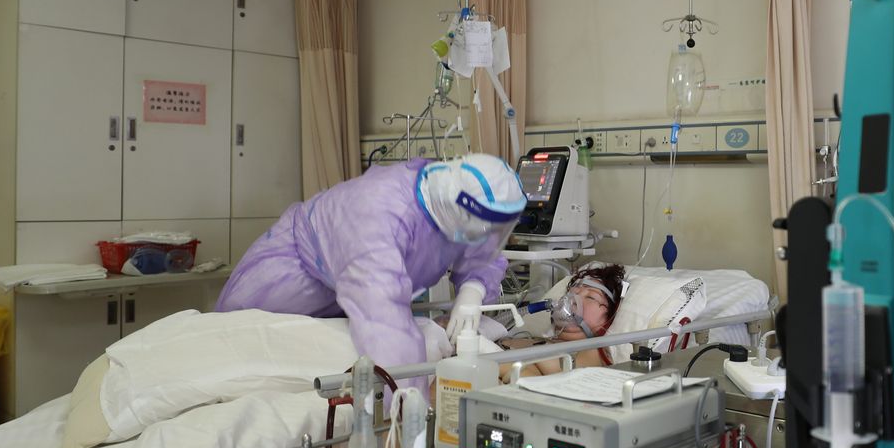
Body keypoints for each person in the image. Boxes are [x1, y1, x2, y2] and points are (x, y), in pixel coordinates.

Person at [215, 153, 525, 372]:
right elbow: (385, 325)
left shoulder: (456, 206)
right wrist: (411, 403)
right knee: (234, 358)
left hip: (344, 311)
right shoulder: (378, 213)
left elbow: (482, 248)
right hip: (287, 282)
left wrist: (473, 289)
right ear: (459, 208)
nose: (487, 237)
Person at [503, 263, 626, 376]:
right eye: (571, 294)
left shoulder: (592, 349)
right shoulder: (534, 338)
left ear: (609, 315)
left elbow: (573, 380)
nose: (573, 301)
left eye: (591, 297)